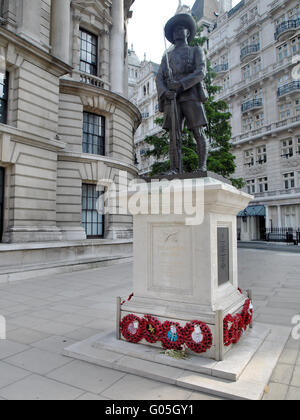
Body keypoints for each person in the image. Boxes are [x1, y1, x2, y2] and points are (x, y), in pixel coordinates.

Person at [156, 13, 208, 174]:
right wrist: (165, 92)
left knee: (198, 132)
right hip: (173, 99)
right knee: (174, 136)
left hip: (190, 94)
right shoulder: (167, 57)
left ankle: (202, 166)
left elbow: (201, 71)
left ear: (188, 32)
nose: (178, 32)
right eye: (175, 30)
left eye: (181, 29)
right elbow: (159, 78)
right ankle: (174, 169)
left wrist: (180, 85)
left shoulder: (195, 50)